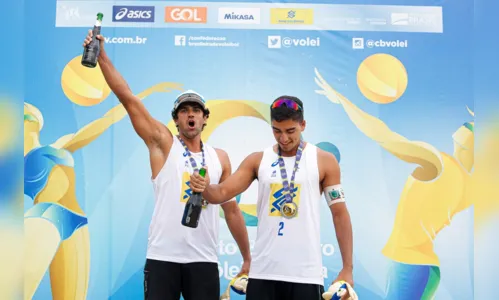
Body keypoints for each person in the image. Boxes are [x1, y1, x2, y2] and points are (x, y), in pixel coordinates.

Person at [83, 31, 251, 300]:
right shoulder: (163, 144)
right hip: (163, 258)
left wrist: (247, 258)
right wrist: (102, 58)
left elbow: (231, 211)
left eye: (196, 110)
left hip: (203, 260)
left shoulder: (220, 158)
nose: (191, 114)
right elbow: (129, 98)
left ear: (205, 118)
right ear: (176, 119)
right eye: (184, 110)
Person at [191, 96, 354, 300]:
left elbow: (339, 214)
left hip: (306, 275)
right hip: (263, 274)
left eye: (290, 131)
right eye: (277, 131)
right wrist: (204, 188)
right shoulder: (257, 160)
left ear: (303, 125)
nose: (283, 138)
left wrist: (347, 268)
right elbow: (221, 194)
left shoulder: (324, 161)